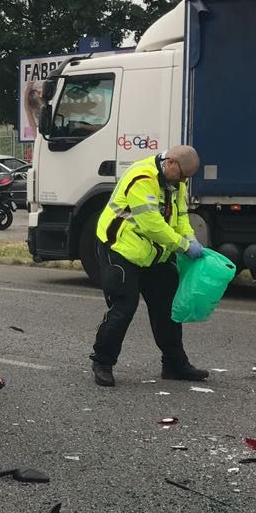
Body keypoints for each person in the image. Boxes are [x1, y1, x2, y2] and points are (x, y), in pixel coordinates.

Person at [89, 145, 209, 387]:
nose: (184, 181)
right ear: (171, 163)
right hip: (122, 249)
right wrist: (184, 247)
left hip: (154, 254)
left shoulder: (176, 182)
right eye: (183, 175)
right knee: (124, 305)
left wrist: (191, 238)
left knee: (167, 308)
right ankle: (102, 362)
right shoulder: (141, 177)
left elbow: (181, 216)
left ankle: (174, 364)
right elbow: (152, 225)